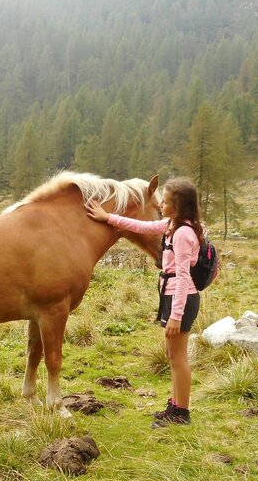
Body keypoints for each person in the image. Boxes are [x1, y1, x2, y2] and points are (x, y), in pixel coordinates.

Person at [85, 177, 204, 428]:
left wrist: (176, 316)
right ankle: (175, 405)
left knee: (178, 358)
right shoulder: (172, 225)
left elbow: (184, 277)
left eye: (166, 202)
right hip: (172, 296)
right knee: (173, 356)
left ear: (178, 206)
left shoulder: (182, 234)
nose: (160, 205)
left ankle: (181, 413)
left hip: (180, 299)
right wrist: (108, 217)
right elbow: (140, 226)